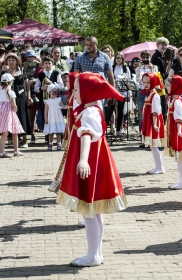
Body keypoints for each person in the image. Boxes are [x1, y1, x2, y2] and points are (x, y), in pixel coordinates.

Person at [56, 72, 128, 267]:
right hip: (95, 162)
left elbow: (86, 135)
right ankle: (96, 253)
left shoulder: (89, 113)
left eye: (78, 89)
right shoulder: (91, 109)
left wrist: (83, 160)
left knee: (88, 212)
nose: (74, 92)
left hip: (91, 163)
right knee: (94, 212)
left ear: (88, 92)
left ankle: (93, 256)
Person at [164, 75, 182, 190]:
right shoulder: (173, 99)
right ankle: (181, 180)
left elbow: (180, 117)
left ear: (175, 86)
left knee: (180, 156)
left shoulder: (177, 101)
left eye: (168, 85)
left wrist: (180, 130)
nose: (166, 87)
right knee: (178, 157)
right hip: (175, 129)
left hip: (178, 130)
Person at [2, 53, 32, 148]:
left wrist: (29, 96)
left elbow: (27, 85)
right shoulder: (4, 73)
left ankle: (24, 140)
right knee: (10, 118)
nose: (11, 62)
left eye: (13, 60)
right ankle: (11, 139)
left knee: (22, 116)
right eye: (9, 60)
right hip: (8, 97)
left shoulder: (22, 71)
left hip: (20, 96)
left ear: (17, 61)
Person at [141, 73, 166, 174]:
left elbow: (156, 111)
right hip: (149, 120)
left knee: (154, 145)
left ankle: (160, 167)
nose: (146, 84)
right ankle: (158, 166)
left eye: (148, 82)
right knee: (152, 146)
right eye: (144, 82)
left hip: (153, 120)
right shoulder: (149, 93)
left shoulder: (155, 95)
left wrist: (155, 124)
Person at [136, 50, 159, 146]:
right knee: (142, 116)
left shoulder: (154, 67)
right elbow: (137, 80)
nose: (145, 59)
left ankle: (152, 138)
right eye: (143, 57)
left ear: (150, 58)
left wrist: (151, 69)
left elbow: (156, 79)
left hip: (151, 93)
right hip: (142, 93)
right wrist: (140, 67)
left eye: (147, 57)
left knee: (152, 114)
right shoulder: (139, 68)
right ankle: (143, 139)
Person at [0, 73, 25, 157]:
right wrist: (15, 109)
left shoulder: (0, 90)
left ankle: (2, 151)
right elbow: (14, 105)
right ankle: (16, 151)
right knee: (14, 132)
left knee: (4, 133)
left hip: (1, 113)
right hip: (9, 113)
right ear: (10, 82)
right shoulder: (11, 92)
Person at [113, 52, 132, 136]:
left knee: (121, 111)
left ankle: (119, 130)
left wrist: (129, 94)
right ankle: (111, 128)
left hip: (123, 92)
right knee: (111, 110)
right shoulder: (112, 67)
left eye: (120, 58)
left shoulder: (125, 68)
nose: (118, 59)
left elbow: (129, 81)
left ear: (122, 59)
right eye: (117, 58)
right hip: (113, 91)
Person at [43, 84, 67, 150]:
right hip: (51, 118)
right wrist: (45, 118)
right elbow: (46, 110)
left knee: (58, 132)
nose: (54, 93)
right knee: (51, 132)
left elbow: (63, 106)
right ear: (49, 92)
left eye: (55, 91)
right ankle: (50, 143)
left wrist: (70, 106)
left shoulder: (58, 99)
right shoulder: (47, 101)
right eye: (52, 91)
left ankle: (59, 143)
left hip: (58, 118)